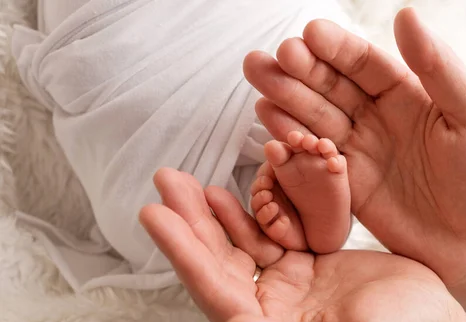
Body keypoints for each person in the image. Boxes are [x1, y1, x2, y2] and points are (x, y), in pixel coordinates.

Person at [140, 7, 466, 322]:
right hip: (299, 102)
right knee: (299, 91)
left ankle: (313, 214)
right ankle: (317, 217)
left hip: (247, 107)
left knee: (289, 102)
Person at [11, 0, 357, 291]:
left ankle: (309, 209)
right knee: (316, 86)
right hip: (249, 55)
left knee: (153, 209)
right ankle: (317, 207)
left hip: (146, 148)